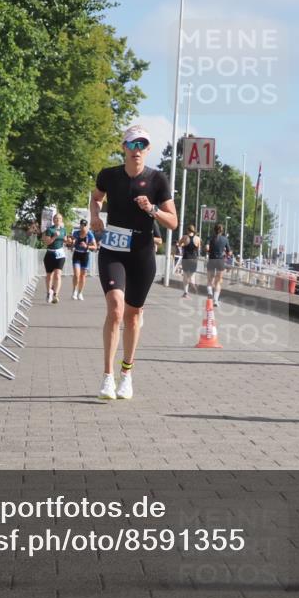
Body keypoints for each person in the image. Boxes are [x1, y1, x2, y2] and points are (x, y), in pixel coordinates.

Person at [91, 125, 178, 400]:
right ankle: (107, 377)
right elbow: (95, 198)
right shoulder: (109, 175)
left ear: (148, 149)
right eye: (132, 144)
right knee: (116, 309)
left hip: (141, 253)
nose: (137, 150)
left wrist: (151, 209)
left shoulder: (157, 180)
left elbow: (173, 222)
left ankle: (126, 374)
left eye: (142, 145)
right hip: (113, 250)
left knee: (133, 315)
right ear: (124, 148)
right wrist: (95, 217)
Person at [42, 213, 69, 303]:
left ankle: (55, 295)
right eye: (56, 218)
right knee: (49, 276)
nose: (58, 220)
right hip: (50, 254)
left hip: (60, 255)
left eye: (59, 218)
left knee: (58, 274)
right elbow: (47, 242)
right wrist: (54, 237)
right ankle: (48, 292)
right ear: (53, 220)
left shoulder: (64, 230)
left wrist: (67, 240)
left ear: (62, 220)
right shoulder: (50, 230)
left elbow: (65, 239)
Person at [70, 219, 98, 300]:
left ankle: (80, 292)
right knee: (77, 274)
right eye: (81, 225)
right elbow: (72, 243)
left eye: (84, 225)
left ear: (87, 226)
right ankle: (74, 291)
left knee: (83, 275)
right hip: (77, 254)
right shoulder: (76, 233)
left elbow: (95, 247)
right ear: (80, 225)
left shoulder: (90, 234)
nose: (83, 227)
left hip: (85, 255)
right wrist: (72, 244)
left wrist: (87, 246)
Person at [206, 223, 230, 306]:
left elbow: (206, 248)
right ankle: (215, 300)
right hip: (220, 261)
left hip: (211, 260)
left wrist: (209, 251)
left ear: (214, 230)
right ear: (222, 231)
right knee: (218, 282)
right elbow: (229, 252)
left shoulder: (210, 238)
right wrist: (227, 254)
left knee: (210, 281)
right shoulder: (225, 239)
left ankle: (210, 292)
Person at [178, 224, 201, 298]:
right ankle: (193, 283)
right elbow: (198, 248)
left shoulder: (185, 237)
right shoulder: (198, 238)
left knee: (185, 276)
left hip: (186, 258)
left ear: (188, 230)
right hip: (194, 259)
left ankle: (185, 293)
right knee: (191, 276)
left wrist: (183, 245)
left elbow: (179, 244)